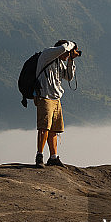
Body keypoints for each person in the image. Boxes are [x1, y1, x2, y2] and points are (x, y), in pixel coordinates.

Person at [34, 40, 80, 168]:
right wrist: (72, 45)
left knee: (54, 130)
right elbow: (63, 48)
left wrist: (71, 60)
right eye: (69, 52)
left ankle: (53, 157)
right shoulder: (47, 54)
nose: (69, 54)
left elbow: (69, 77)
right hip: (45, 97)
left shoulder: (59, 62)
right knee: (44, 128)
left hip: (56, 98)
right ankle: (39, 155)